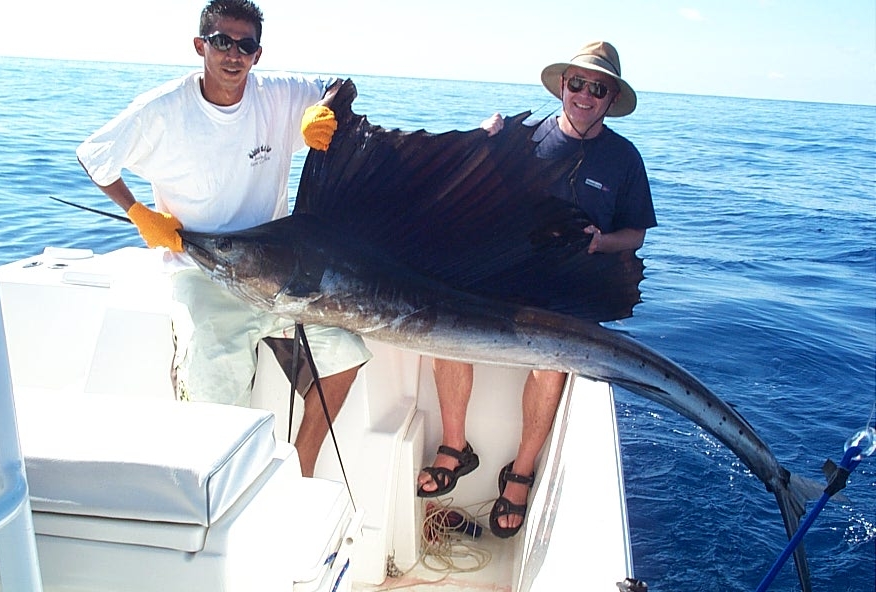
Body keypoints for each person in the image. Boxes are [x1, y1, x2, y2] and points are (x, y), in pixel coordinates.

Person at [76, 0, 372, 477]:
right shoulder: (163, 109)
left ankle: (300, 466)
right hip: (200, 268)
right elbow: (94, 156)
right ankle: (225, 481)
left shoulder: (276, 94)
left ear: (258, 53)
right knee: (211, 382)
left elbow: (340, 86)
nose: (233, 54)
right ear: (201, 46)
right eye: (222, 42)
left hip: (275, 269)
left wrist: (321, 109)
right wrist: (138, 213)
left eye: (246, 45)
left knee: (345, 351)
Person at [416, 41, 657, 538]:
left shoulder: (625, 159)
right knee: (445, 330)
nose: (585, 95)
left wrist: (603, 242)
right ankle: (455, 448)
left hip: (569, 286)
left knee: (551, 363)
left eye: (599, 88)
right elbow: (465, 189)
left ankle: (520, 472)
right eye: (577, 84)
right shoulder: (523, 139)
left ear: (611, 99)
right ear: (562, 86)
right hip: (506, 275)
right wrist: (480, 142)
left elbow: (635, 234)